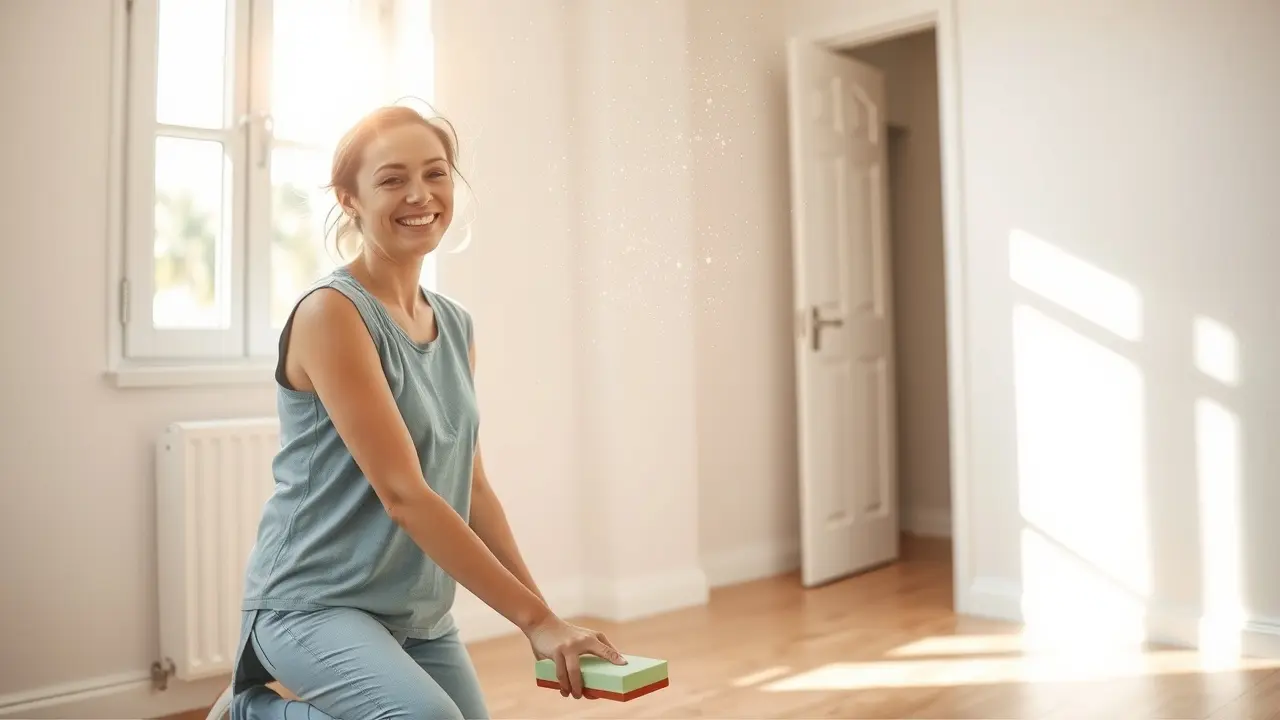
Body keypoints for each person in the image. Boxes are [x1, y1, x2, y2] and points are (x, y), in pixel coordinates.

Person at [228, 104, 625, 720]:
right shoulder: (333, 313)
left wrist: (543, 624)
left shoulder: (455, 323)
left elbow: (472, 485)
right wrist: (538, 619)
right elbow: (405, 495)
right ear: (349, 198)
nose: (420, 195)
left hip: (417, 612)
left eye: (436, 173)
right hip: (312, 604)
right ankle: (252, 714)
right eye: (391, 179)